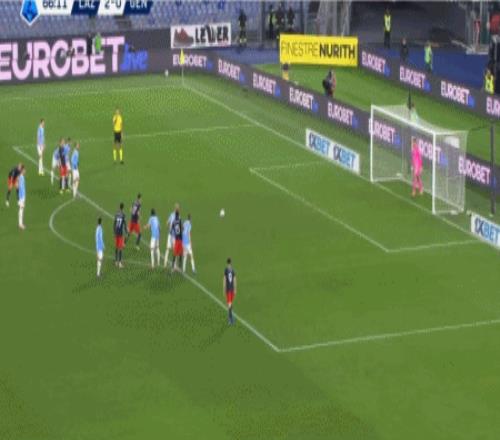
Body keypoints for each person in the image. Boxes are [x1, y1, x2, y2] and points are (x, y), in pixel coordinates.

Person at [163, 203, 180, 268]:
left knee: (168, 249)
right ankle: (174, 265)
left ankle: (165, 264)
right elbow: (178, 228)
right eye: (178, 208)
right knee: (174, 250)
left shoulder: (171, 215)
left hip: (170, 234)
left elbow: (167, 223)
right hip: (174, 236)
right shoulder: (178, 217)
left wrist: (169, 226)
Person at [223, 258, 237, 325]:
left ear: (227, 263)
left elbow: (224, 279)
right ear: (231, 263)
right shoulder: (233, 270)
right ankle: (230, 319)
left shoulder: (226, 270)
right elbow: (234, 280)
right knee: (230, 304)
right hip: (231, 289)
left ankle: (230, 319)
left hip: (228, 290)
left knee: (229, 304)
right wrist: (235, 289)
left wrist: (224, 288)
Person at [113, 202, 127, 268]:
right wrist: (126, 231)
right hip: (120, 233)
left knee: (116, 247)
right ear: (123, 207)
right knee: (120, 248)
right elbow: (125, 224)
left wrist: (114, 232)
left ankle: (116, 261)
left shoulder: (116, 214)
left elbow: (114, 224)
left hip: (116, 233)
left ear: (119, 207)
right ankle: (120, 263)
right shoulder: (123, 215)